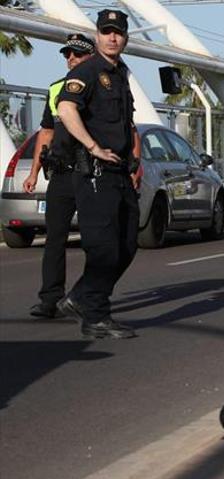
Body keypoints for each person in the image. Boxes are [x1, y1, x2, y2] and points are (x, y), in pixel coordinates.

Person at [55, 10, 141, 339]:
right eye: (106, 32)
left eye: (117, 32)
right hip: (93, 171)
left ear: (125, 37)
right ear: (97, 35)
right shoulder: (89, 70)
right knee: (103, 246)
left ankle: (80, 297)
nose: (112, 37)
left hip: (119, 170)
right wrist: (91, 146)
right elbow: (66, 108)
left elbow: (126, 124)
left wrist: (134, 159)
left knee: (128, 243)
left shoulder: (120, 74)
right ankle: (96, 316)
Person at [24, 34, 94, 319]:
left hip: (91, 174)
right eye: (67, 55)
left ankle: (89, 296)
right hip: (62, 174)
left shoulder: (102, 87)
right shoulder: (55, 90)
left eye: (77, 54)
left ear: (90, 57)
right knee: (54, 239)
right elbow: (46, 132)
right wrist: (33, 173)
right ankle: (50, 299)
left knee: (94, 240)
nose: (71, 59)